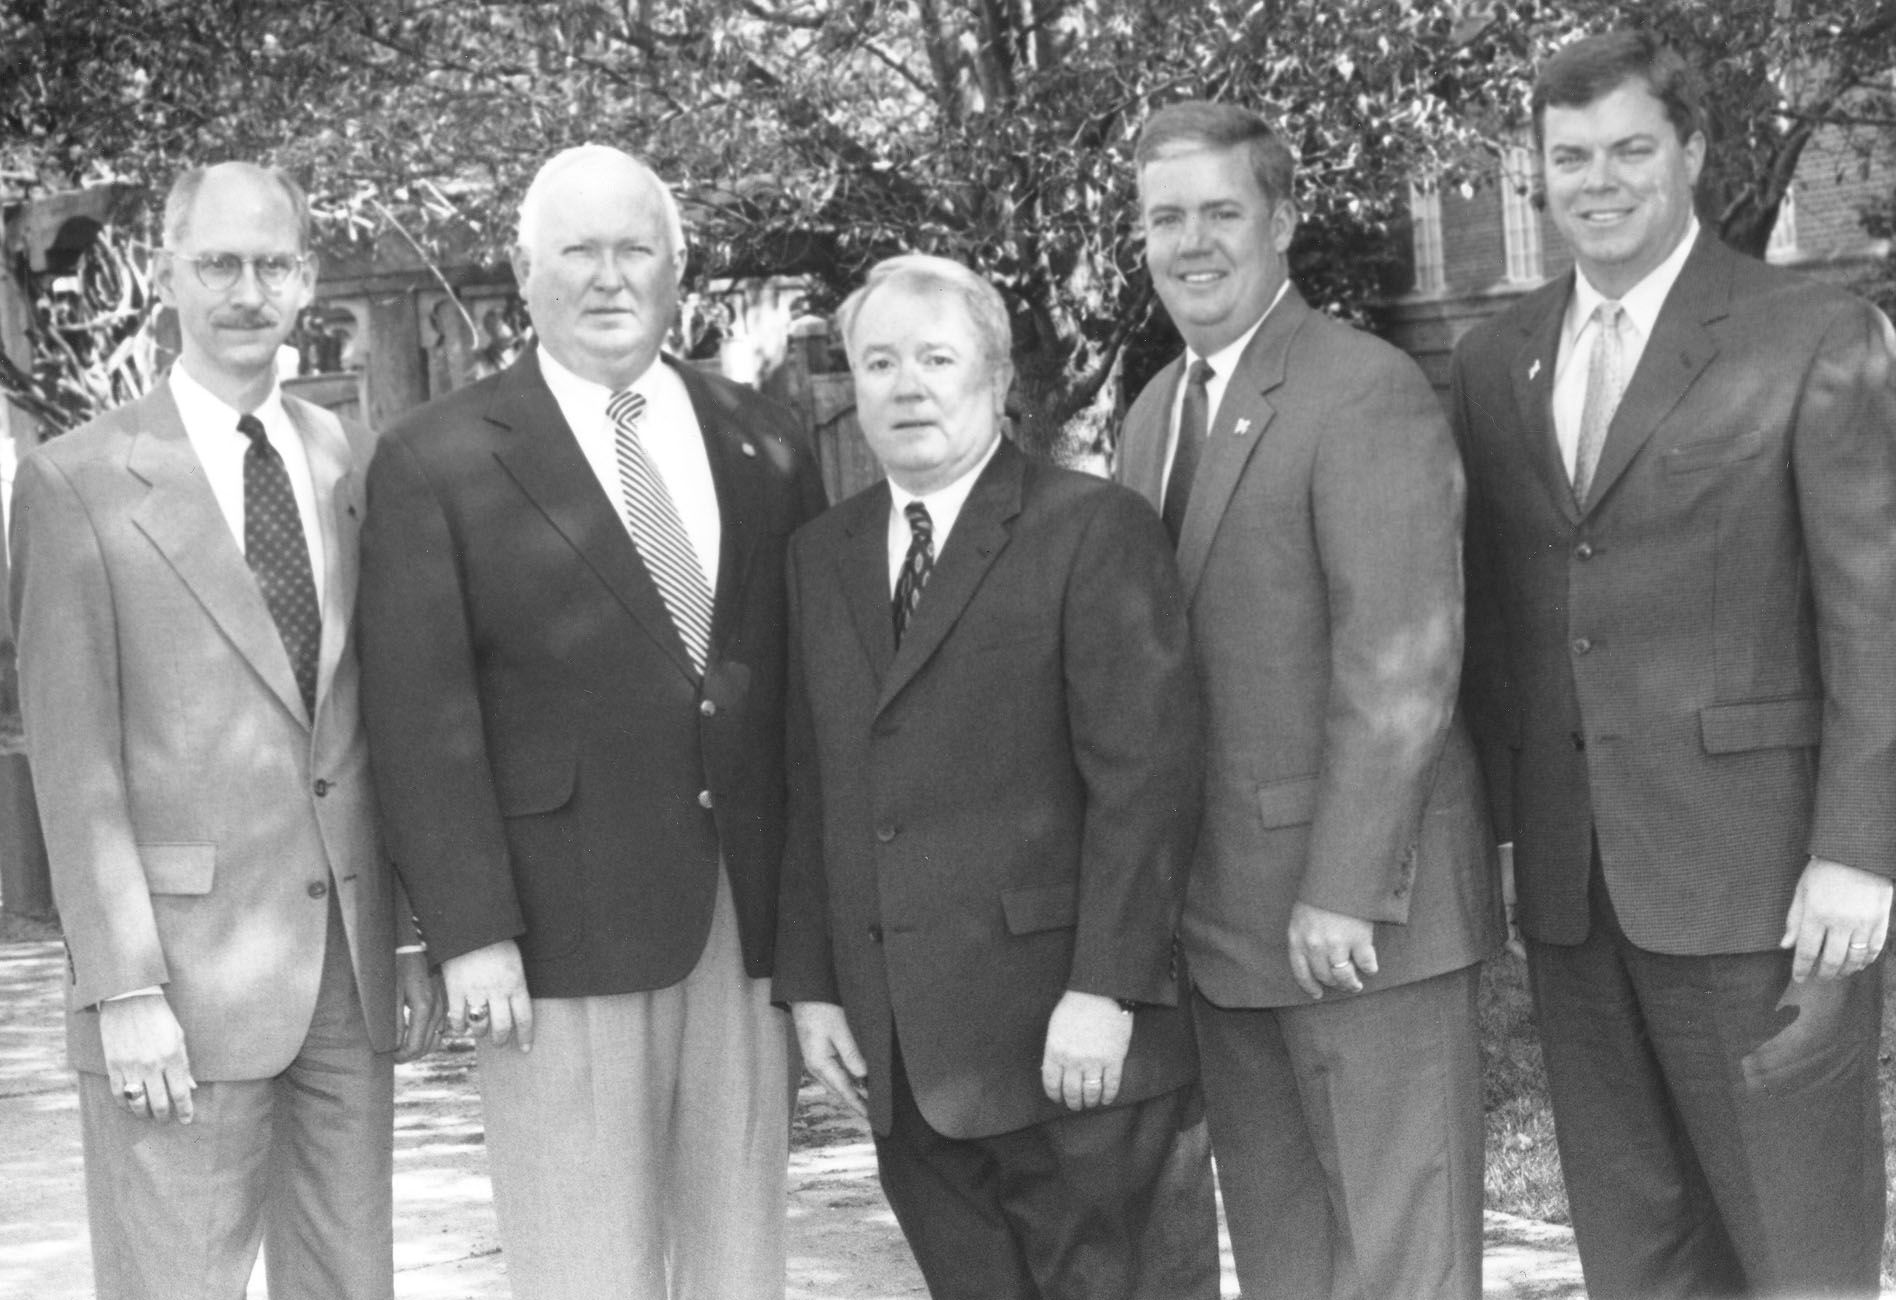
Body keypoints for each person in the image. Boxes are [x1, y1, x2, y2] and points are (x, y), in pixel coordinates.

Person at [1451, 31, 1896, 1299]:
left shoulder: (1810, 334)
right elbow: (1499, 626)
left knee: (1797, 1247)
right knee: (1636, 1250)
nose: (1599, 179)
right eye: (1569, 156)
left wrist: (1860, 848)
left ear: (1692, 152)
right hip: (1578, 890)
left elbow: (1876, 613)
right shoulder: (1495, 361)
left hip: (1761, 886)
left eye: (1631, 149)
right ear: (1537, 172)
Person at [356, 144, 826, 1300]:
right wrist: (469, 930)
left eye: (635, 249)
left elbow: (814, 691)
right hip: (555, 926)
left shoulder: (766, 437)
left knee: (738, 1257)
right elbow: (419, 712)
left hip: (744, 916)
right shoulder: (437, 456)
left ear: (678, 269)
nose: (609, 276)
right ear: (525, 271)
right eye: (578, 250)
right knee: (581, 1264)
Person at [9, 160, 439, 1300]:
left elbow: (372, 715)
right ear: (165, 273)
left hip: (346, 978)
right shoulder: (77, 480)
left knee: (353, 1284)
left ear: (306, 282)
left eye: (272, 265)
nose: (245, 291)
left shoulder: (351, 459)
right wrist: (122, 989)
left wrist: (399, 935)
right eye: (217, 264)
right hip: (179, 989)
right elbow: (71, 757)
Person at [774, 253, 1217, 1299]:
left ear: (998, 376)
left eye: (936, 357)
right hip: (907, 1058)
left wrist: (1105, 987)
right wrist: (816, 987)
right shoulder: (821, 556)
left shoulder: (1089, 528)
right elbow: (814, 781)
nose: (906, 385)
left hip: (1074, 1047)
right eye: (878, 361)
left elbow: (1146, 781)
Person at [1115, 102, 1502, 1300]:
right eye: (1165, 217)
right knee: (1287, 1265)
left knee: (1400, 1267)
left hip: (1357, 926)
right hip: (1221, 926)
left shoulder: (1362, 389)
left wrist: (1342, 886)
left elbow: (1402, 656)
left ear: (1280, 219)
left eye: (1221, 211)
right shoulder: (1152, 415)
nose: (1193, 242)